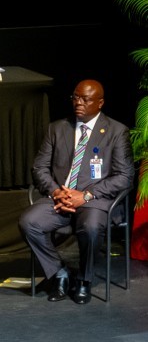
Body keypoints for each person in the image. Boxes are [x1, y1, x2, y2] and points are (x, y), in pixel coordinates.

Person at [19, 79, 133, 304]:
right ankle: (59, 272)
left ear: (100, 103)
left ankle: (84, 279)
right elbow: (39, 167)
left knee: (91, 227)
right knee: (29, 222)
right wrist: (56, 192)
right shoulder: (57, 128)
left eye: (85, 99)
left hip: (95, 200)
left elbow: (124, 176)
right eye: (75, 97)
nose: (78, 103)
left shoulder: (117, 131)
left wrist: (86, 195)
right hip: (60, 198)